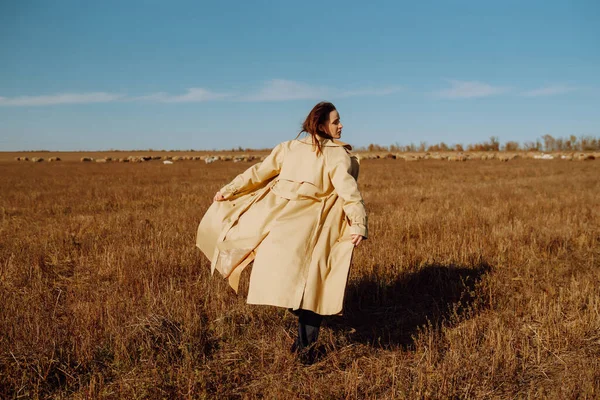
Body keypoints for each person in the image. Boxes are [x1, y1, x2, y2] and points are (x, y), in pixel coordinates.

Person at [196, 101, 368, 363]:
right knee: (310, 290)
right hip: (305, 230)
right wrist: (229, 190)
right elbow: (259, 173)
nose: (341, 125)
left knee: (303, 287)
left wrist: (358, 224)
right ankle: (306, 350)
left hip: (291, 227)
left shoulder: (308, 150)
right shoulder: (317, 152)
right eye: (336, 121)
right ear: (320, 124)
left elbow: (347, 194)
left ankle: (303, 349)